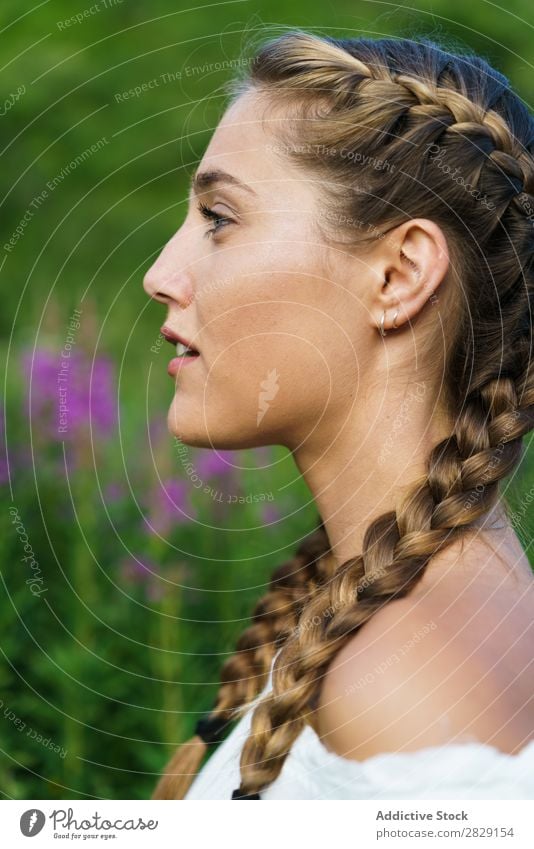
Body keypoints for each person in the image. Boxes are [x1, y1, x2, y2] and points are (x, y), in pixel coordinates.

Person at [142, 29, 534, 799]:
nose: (162, 274)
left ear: (398, 275)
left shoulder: (414, 682)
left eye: (219, 218)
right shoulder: (404, 613)